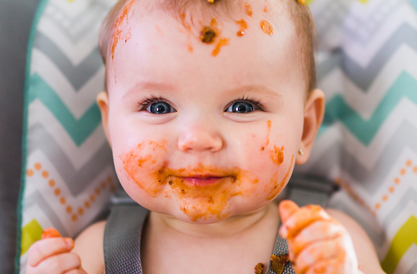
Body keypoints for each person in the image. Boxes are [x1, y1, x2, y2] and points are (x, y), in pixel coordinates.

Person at [25, 0, 385, 273]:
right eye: (158, 107)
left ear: (305, 129)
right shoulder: (99, 253)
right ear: (110, 126)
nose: (196, 139)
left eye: (242, 107)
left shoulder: (328, 242)